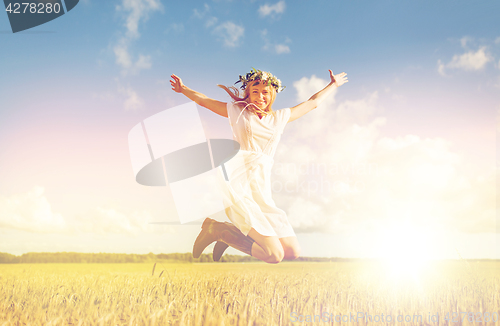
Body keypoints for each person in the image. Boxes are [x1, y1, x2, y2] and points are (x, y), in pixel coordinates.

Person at [170, 68, 348, 264]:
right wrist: (184, 89)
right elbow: (204, 100)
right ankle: (222, 232)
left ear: (272, 94)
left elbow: (312, 103)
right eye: (255, 91)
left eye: (265, 92)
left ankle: (227, 232)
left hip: (261, 185)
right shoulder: (237, 112)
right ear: (248, 93)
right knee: (274, 255)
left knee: (291, 251)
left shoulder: (279, 118)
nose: (260, 96)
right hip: (239, 180)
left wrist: (333, 85)